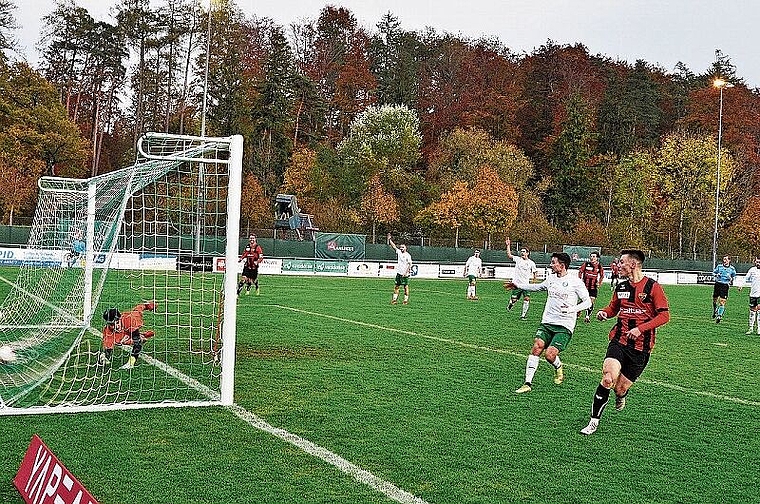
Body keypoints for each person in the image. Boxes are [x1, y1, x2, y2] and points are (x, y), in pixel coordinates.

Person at [580, 249, 670, 435]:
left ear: (633, 265)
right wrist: (604, 313)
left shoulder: (653, 287)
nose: (618, 265)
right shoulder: (621, 287)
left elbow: (664, 316)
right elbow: (613, 308)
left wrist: (640, 329)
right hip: (619, 340)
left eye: (621, 262)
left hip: (641, 348)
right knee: (607, 378)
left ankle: (621, 396)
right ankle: (593, 422)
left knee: (620, 389)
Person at [505, 252, 591, 393]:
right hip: (547, 321)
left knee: (550, 355)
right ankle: (527, 383)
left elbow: (587, 302)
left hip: (564, 325)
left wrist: (572, 309)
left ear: (562, 265)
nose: (551, 265)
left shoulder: (575, 282)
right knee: (537, 346)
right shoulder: (551, 279)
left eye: (553, 262)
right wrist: (517, 285)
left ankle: (558, 366)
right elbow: (537, 287)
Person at [99, 301, 157, 369]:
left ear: (119, 319)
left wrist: (131, 362)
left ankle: (130, 363)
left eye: (115, 323)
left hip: (132, 322)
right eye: (110, 324)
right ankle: (140, 337)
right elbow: (108, 347)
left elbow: (138, 343)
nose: (113, 326)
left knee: (138, 340)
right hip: (123, 332)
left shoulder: (130, 319)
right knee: (121, 341)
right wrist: (105, 356)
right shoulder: (108, 330)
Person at [505, 237, 538, 320]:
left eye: (524, 252)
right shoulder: (518, 259)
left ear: (528, 253)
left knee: (526, 299)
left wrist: (533, 281)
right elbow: (509, 255)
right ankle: (511, 304)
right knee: (514, 299)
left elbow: (535, 272)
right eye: (521, 251)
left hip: (526, 285)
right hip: (516, 284)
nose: (522, 253)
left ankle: (523, 316)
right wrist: (508, 245)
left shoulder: (531, 263)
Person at [578, 251, 604, 323]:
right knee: (584, 300)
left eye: (594, 256)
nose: (592, 258)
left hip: (593, 288)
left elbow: (602, 275)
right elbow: (580, 271)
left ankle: (587, 316)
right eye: (591, 256)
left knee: (591, 301)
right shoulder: (586, 264)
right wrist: (580, 280)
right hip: (585, 287)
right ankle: (578, 309)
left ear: (597, 258)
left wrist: (599, 283)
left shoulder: (599, 266)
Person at [388, 233, 412, 305]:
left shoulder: (408, 255)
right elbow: (394, 246)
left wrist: (406, 272)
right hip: (399, 273)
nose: (401, 248)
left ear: (405, 248)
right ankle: (394, 300)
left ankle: (405, 301)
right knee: (396, 286)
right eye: (401, 247)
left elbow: (410, 264)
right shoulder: (399, 252)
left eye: (403, 247)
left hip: (405, 274)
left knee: (405, 287)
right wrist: (389, 240)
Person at [739, 256, 760, 335]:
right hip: (753, 294)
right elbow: (746, 278)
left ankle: (759, 329)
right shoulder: (752, 270)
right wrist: (741, 285)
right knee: (752, 312)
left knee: (759, 311)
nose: (758, 263)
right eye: (757, 262)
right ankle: (751, 328)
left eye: (759, 262)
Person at [712, 255, 737, 323]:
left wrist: (731, 279)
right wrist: (716, 275)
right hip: (717, 284)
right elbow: (713, 273)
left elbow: (734, 277)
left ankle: (719, 316)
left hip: (725, 286)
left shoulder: (732, 269)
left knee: (722, 301)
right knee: (714, 300)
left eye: (726, 259)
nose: (724, 260)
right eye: (724, 259)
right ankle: (715, 310)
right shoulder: (719, 266)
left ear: (729, 260)